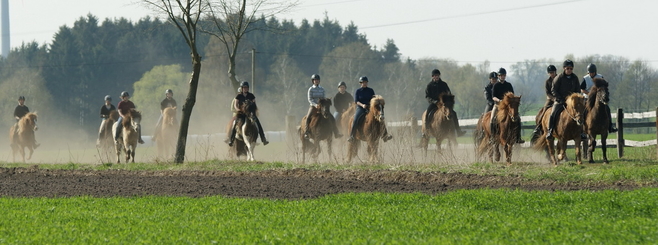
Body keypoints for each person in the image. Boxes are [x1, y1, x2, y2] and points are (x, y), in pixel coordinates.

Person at [424, 68, 466, 139]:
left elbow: (448, 93)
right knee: (428, 113)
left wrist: (446, 101)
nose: (437, 77)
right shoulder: (429, 86)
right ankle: (426, 131)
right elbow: (427, 97)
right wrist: (435, 101)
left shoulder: (444, 84)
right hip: (434, 104)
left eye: (438, 75)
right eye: (435, 75)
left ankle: (458, 130)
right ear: (432, 76)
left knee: (454, 113)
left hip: (444, 104)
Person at [546, 60, 581, 140]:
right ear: (564, 68)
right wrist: (559, 99)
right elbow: (553, 90)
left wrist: (575, 98)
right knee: (553, 113)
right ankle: (550, 131)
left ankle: (582, 132)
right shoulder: (559, 77)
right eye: (567, 68)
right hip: (560, 100)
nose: (569, 70)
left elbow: (578, 90)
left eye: (571, 68)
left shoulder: (575, 78)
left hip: (572, 102)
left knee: (581, 112)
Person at [227, 81, 269, 146]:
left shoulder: (251, 95)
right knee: (235, 123)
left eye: (246, 87)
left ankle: (263, 139)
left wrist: (253, 110)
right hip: (241, 113)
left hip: (249, 113)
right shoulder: (238, 96)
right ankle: (231, 140)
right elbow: (235, 105)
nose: (245, 89)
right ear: (242, 88)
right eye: (244, 87)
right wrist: (238, 109)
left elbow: (254, 104)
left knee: (258, 123)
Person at [490, 67, 525, 144]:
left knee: (518, 118)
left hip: (508, 106)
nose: (503, 76)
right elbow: (493, 97)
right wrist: (500, 100)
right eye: (501, 75)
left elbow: (512, 95)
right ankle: (492, 137)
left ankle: (518, 137)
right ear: (498, 76)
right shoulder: (496, 85)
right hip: (498, 106)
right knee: (492, 118)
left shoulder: (508, 85)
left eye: (504, 75)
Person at [302, 74, 342, 139]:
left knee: (332, 117)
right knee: (308, 117)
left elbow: (323, 98)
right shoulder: (311, 89)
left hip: (322, 106)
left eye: (317, 80)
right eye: (315, 80)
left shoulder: (322, 89)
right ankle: (307, 132)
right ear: (313, 81)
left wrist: (326, 101)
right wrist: (315, 105)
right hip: (313, 106)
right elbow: (310, 99)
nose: (316, 81)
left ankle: (336, 132)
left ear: (319, 81)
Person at [580, 63, 617, 133]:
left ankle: (610, 126)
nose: (591, 74)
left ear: (595, 72)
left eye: (592, 72)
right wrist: (590, 94)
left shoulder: (600, 77)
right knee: (583, 110)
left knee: (607, 108)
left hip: (598, 98)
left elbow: (604, 87)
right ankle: (582, 128)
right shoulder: (585, 78)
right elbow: (582, 89)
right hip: (588, 98)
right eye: (590, 73)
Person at [532, 65, 558, 134]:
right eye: (550, 73)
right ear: (548, 73)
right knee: (544, 110)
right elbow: (547, 93)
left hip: (560, 98)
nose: (552, 74)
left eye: (553, 72)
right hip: (550, 99)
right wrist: (553, 99)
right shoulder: (547, 81)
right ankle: (538, 126)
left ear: (555, 72)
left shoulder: (560, 79)